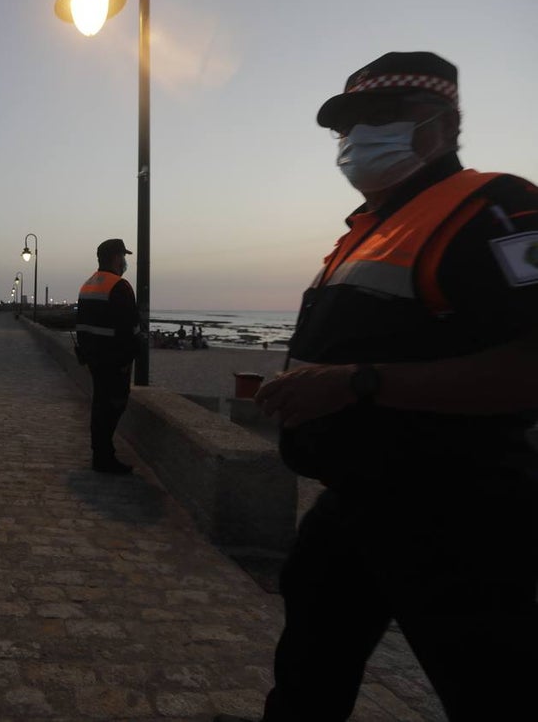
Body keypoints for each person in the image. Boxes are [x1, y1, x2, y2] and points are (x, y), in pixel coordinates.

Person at [215, 52, 538, 721]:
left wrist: (359, 384)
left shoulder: (495, 207)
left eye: (380, 116)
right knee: (308, 667)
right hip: (355, 502)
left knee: (493, 687)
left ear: (441, 124)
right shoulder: (367, 229)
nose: (357, 136)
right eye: (347, 124)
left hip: (458, 513)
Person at [76, 238, 142, 474]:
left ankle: (101, 453)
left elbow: (81, 326)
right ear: (116, 258)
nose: (124, 261)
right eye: (123, 256)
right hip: (115, 362)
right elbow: (130, 329)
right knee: (113, 407)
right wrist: (127, 359)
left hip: (94, 360)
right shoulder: (120, 286)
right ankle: (104, 457)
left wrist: (86, 354)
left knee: (100, 405)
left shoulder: (87, 285)